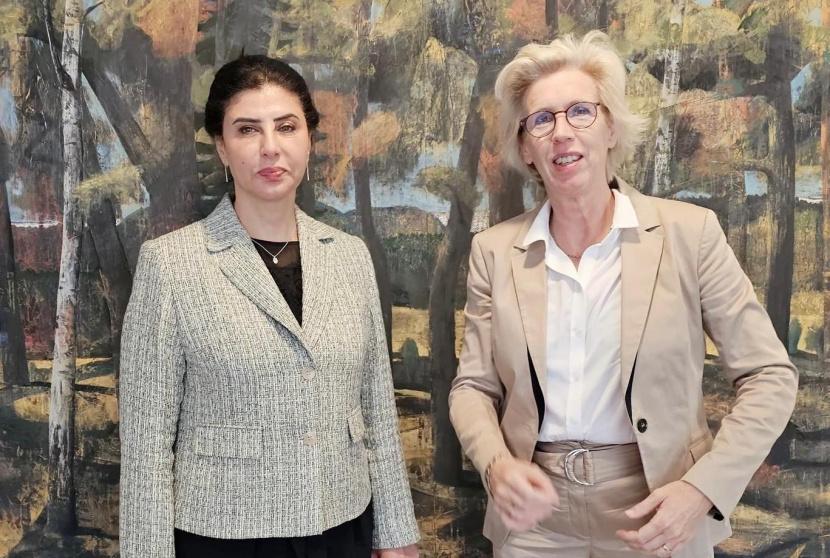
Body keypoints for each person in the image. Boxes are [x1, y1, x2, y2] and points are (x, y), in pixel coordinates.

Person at [448, 31, 798, 558]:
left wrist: (702, 490)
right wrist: (496, 466)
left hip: (658, 510)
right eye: (540, 120)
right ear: (525, 148)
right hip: (535, 522)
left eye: (580, 112)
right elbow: (472, 387)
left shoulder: (691, 234)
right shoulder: (493, 251)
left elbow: (770, 376)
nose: (561, 132)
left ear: (611, 126)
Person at [119, 55, 420, 558]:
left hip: (342, 527)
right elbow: (146, 446)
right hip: (224, 537)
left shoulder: (349, 256)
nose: (270, 147)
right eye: (247, 129)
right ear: (221, 146)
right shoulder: (170, 264)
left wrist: (396, 532)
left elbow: (376, 411)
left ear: (309, 139)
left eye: (286, 126)